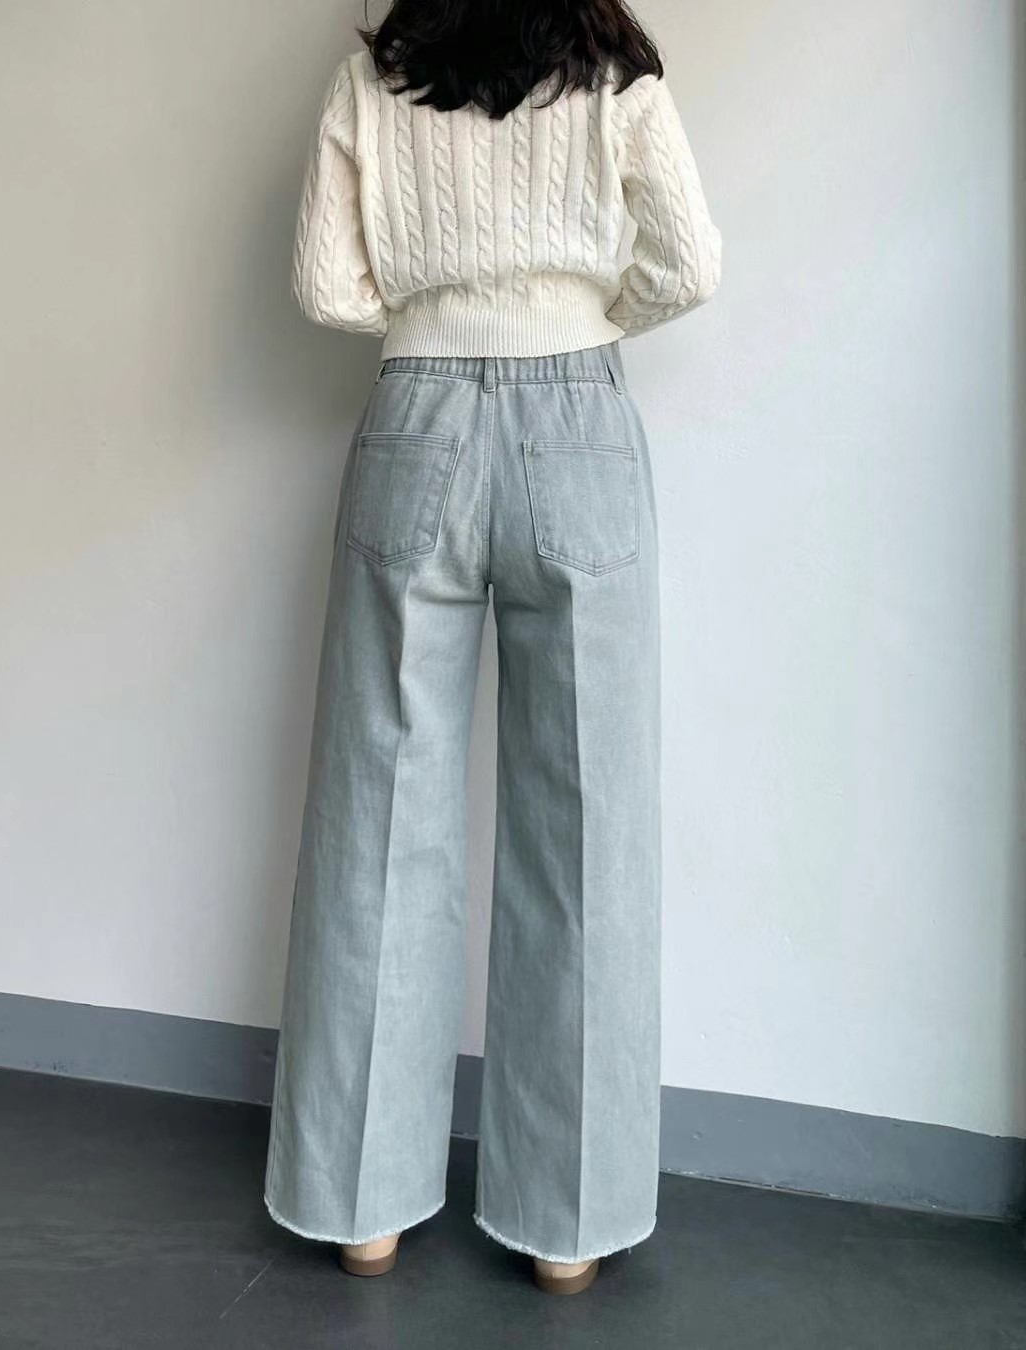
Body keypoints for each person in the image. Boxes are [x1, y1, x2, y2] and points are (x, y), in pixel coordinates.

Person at [263, 0, 722, 1297]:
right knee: (586, 826)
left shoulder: (373, 79)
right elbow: (689, 265)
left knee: (380, 813)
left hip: (415, 417)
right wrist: (575, 308)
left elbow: (325, 284)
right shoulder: (618, 76)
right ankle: (566, 1225)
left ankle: (360, 1207)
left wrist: (438, 316)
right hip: (579, 420)